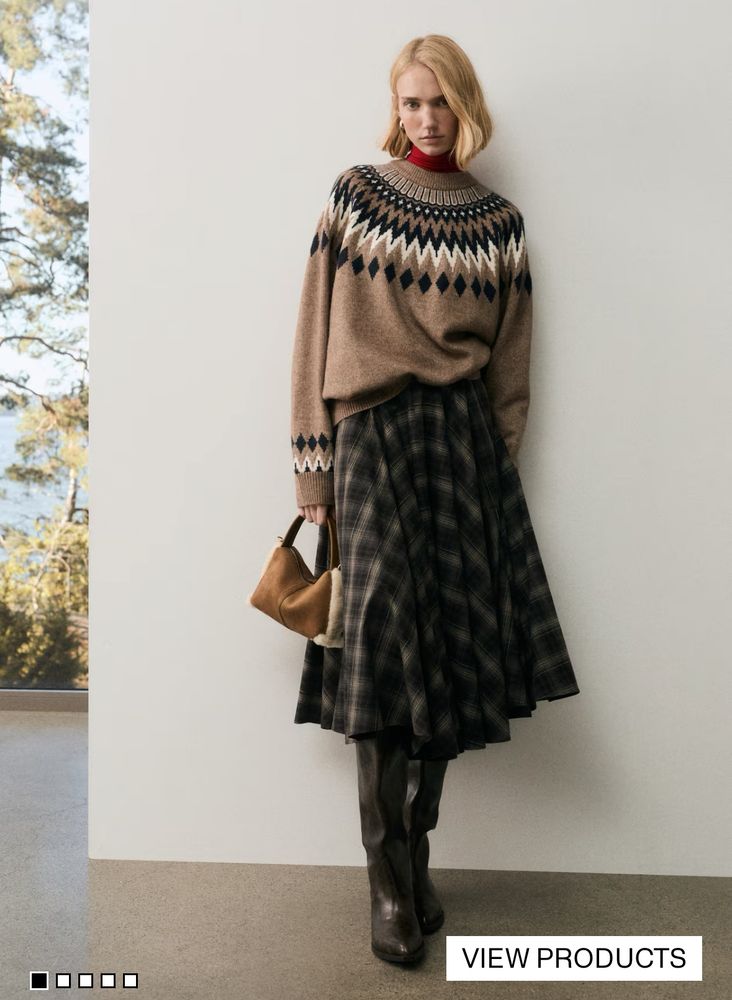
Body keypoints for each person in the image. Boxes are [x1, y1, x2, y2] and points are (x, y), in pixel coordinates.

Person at [288, 34, 581, 965]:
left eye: (440, 104)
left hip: (462, 451)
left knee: (451, 653)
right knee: (379, 658)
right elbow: (311, 333)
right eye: (411, 102)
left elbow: (512, 366)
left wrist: (500, 465)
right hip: (370, 442)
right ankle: (384, 885)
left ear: (465, 108)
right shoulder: (354, 197)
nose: (424, 119)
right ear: (396, 105)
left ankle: (416, 858)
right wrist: (312, 471)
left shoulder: (501, 222)